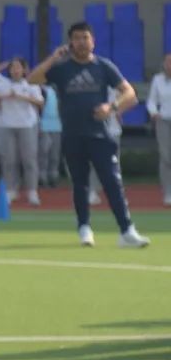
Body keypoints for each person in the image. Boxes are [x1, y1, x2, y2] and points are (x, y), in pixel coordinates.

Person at [29, 22, 149, 248]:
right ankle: (84, 228)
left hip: (101, 135)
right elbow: (32, 79)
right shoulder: (62, 68)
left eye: (85, 37)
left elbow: (130, 93)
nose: (81, 42)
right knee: (80, 183)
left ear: (93, 41)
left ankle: (126, 230)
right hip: (73, 135)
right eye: (76, 38)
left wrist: (111, 108)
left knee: (112, 182)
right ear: (70, 42)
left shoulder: (104, 66)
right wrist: (53, 57)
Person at [0, 58, 43, 205]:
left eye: (18, 67)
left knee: (29, 160)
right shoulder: (4, 84)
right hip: (7, 125)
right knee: (9, 160)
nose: (15, 70)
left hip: (27, 125)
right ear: (9, 70)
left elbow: (40, 102)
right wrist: (5, 96)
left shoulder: (31, 84)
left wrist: (22, 97)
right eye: (13, 68)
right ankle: (11, 190)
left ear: (24, 70)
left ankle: (32, 191)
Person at [146, 53, 171, 206]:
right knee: (165, 156)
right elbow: (151, 100)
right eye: (168, 62)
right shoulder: (157, 80)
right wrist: (154, 112)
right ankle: (168, 192)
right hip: (163, 121)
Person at [39, 83, 63, 188]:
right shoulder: (39, 89)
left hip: (57, 125)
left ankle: (53, 176)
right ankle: (41, 177)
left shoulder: (58, 89)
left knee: (55, 154)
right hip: (43, 125)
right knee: (43, 152)